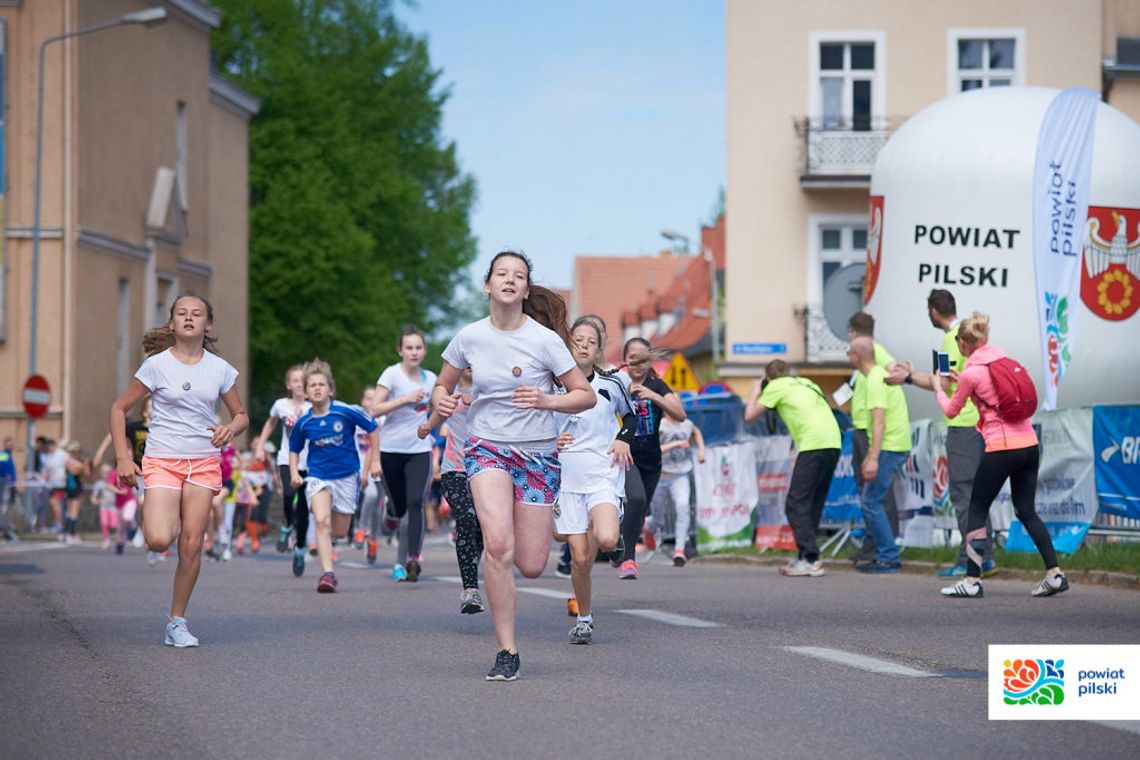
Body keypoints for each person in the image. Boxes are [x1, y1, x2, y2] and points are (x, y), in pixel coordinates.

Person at [433, 250, 595, 681]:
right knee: (499, 545)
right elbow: (442, 385)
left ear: (526, 289)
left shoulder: (544, 340)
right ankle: (507, 649)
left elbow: (584, 394)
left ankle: (506, 561)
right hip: (487, 449)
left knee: (532, 563)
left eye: (518, 275)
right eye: (501, 274)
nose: (509, 280)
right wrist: (441, 401)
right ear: (488, 285)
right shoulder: (469, 337)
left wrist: (548, 399)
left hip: (538, 456)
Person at [109, 293, 248, 648]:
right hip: (162, 461)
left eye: (197, 314)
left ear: (208, 324)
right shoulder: (157, 365)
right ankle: (151, 510)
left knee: (191, 544)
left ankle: (177, 621)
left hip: (203, 462)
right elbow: (118, 408)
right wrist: (124, 458)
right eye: (182, 313)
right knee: (158, 539)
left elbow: (241, 416)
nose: (189, 318)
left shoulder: (219, 369)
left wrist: (229, 429)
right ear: (172, 323)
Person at [934, 313, 1068, 599]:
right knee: (1026, 510)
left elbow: (950, 410)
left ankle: (971, 581)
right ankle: (1054, 574)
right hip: (1029, 444)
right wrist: (964, 382)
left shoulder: (972, 372)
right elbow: (991, 394)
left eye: (958, 340)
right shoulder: (1004, 362)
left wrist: (938, 389)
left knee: (977, 510)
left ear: (964, 343)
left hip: (1001, 447)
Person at [887, 289, 996, 579]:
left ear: (934, 312)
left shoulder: (950, 340)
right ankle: (985, 556)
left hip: (962, 425)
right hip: (984, 423)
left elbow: (943, 384)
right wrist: (916, 374)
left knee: (963, 495)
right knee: (979, 494)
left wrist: (908, 377)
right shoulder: (971, 335)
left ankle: (968, 558)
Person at [553, 317, 634, 645]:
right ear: (569, 345)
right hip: (567, 476)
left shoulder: (611, 383)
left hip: (603, 472)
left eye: (591, 341)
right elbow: (536, 422)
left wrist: (623, 438)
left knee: (605, 538)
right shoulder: (553, 385)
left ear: (599, 349)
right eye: (578, 339)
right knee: (580, 558)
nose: (584, 345)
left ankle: (615, 520)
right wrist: (550, 441)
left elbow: (630, 417)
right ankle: (584, 619)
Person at [289, 359, 380, 593]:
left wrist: (376, 461)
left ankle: (333, 539)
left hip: (347, 477)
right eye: (312, 385)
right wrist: (293, 474)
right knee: (320, 520)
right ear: (307, 392)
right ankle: (328, 574)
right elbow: (294, 449)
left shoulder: (346, 411)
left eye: (322, 384)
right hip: (318, 476)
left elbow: (373, 427)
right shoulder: (304, 422)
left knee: (339, 531)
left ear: (331, 389)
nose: (317, 388)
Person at [745, 359, 841, 576]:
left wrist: (755, 391)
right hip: (833, 441)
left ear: (768, 378)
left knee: (795, 503)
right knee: (812, 502)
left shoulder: (775, 387)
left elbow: (749, 416)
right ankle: (805, 556)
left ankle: (810, 558)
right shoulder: (806, 382)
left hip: (813, 444)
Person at [616, 337, 686, 580]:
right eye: (632, 358)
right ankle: (628, 560)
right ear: (626, 360)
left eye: (643, 359)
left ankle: (617, 543)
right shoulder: (619, 383)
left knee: (640, 509)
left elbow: (680, 414)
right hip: (625, 456)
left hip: (652, 460)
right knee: (636, 499)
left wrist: (652, 396)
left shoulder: (657, 385)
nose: (637, 364)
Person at [371, 326, 436, 582]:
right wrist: (404, 399)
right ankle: (390, 514)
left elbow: (440, 407)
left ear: (425, 350)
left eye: (418, 347)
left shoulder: (431, 378)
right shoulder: (391, 375)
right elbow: (374, 410)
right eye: (409, 347)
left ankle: (412, 558)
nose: (414, 352)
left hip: (419, 450)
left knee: (415, 503)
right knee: (398, 508)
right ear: (400, 350)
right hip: (390, 451)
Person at [419, 368, 484, 613]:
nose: (469, 365)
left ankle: (473, 555)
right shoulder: (450, 390)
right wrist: (426, 427)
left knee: (484, 526)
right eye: (464, 360)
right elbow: (439, 411)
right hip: (454, 469)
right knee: (466, 518)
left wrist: (478, 400)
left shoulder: (489, 387)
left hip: (487, 469)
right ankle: (471, 591)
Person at [848, 337, 910, 574]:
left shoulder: (874, 378)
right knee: (872, 499)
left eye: (849, 352)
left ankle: (888, 557)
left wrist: (872, 457)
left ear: (856, 355)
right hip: (892, 445)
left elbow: (879, 420)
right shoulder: (875, 375)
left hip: (890, 446)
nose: (847, 355)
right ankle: (885, 554)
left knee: (872, 501)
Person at [252, 365, 312, 574]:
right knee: (288, 494)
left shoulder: (313, 407)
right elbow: (270, 424)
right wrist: (260, 445)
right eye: (295, 380)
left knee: (304, 510)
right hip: (287, 459)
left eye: (303, 380)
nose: (299, 384)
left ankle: (300, 549)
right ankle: (287, 526)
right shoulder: (281, 405)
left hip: (310, 463)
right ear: (289, 385)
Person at [650, 410, 706, 566]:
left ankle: (679, 550)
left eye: (679, 405)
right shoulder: (660, 426)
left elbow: (697, 433)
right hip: (661, 475)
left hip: (680, 474)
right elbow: (655, 450)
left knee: (683, 507)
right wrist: (676, 444)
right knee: (658, 516)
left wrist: (701, 451)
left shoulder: (687, 424)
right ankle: (648, 528)